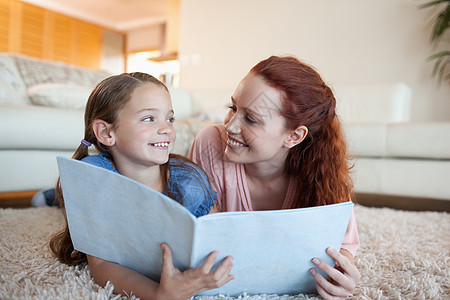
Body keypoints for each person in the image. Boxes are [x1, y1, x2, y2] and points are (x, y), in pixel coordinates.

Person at [49, 72, 234, 300]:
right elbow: (101, 264)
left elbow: (217, 239)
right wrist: (159, 294)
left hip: (177, 180)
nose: (166, 128)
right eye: (149, 118)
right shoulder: (92, 176)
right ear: (107, 133)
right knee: (55, 198)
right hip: (102, 179)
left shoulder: (189, 181)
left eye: (170, 118)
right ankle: (48, 197)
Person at [189, 56, 361, 299]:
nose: (230, 126)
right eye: (233, 108)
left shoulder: (322, 167)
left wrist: (342, 275)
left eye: (250, 118)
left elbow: (342, 246)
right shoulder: (210, 144)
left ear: (293, 136)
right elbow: (206, 240)